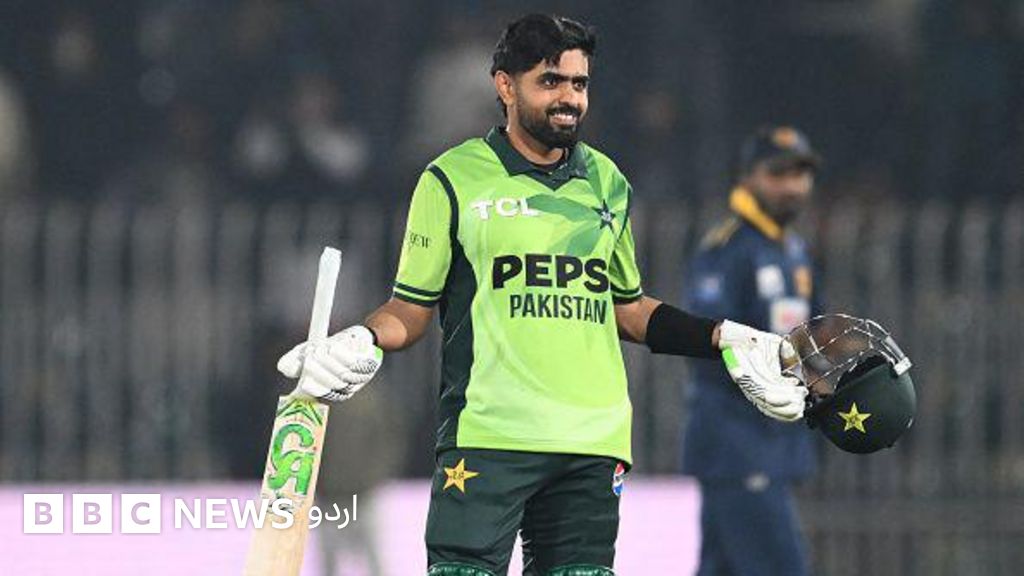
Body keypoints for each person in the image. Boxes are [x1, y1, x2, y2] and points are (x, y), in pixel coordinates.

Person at [276, 15, 807, 576]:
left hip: (592, 444)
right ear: (505, 86)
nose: (569, 99)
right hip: (488, 437)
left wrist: (720, 336)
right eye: (550, 81)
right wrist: (364, 339)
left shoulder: (607, 182)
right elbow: (410, 309)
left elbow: (627, 308)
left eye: (579, 84)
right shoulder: (452, 179)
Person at [681, 125, 823, 576]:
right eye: (778, 174)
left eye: (800, 174)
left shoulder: (794, 251)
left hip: (772, 445)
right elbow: (706, 342)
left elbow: (813, 337)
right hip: (736, 444)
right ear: (747, 178)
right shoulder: (728, 249)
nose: (792, 186)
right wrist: (771, 377)